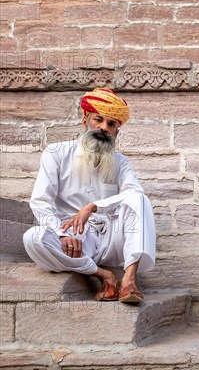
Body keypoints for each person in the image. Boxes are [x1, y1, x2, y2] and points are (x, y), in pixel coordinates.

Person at [23, 88, 156, 304]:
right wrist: (60, 233)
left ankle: (129, 279)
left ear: (116, 131)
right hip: (74, 239)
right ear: (86, 119)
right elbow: (41, 201)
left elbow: (134, 193)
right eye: (99, 120)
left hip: (111, 237)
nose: (104, 127)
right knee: (33, 238)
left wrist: (92, 207)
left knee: (138, 199)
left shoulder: (121, 162)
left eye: (111, 124)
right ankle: (104, 275)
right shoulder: (56, 153)